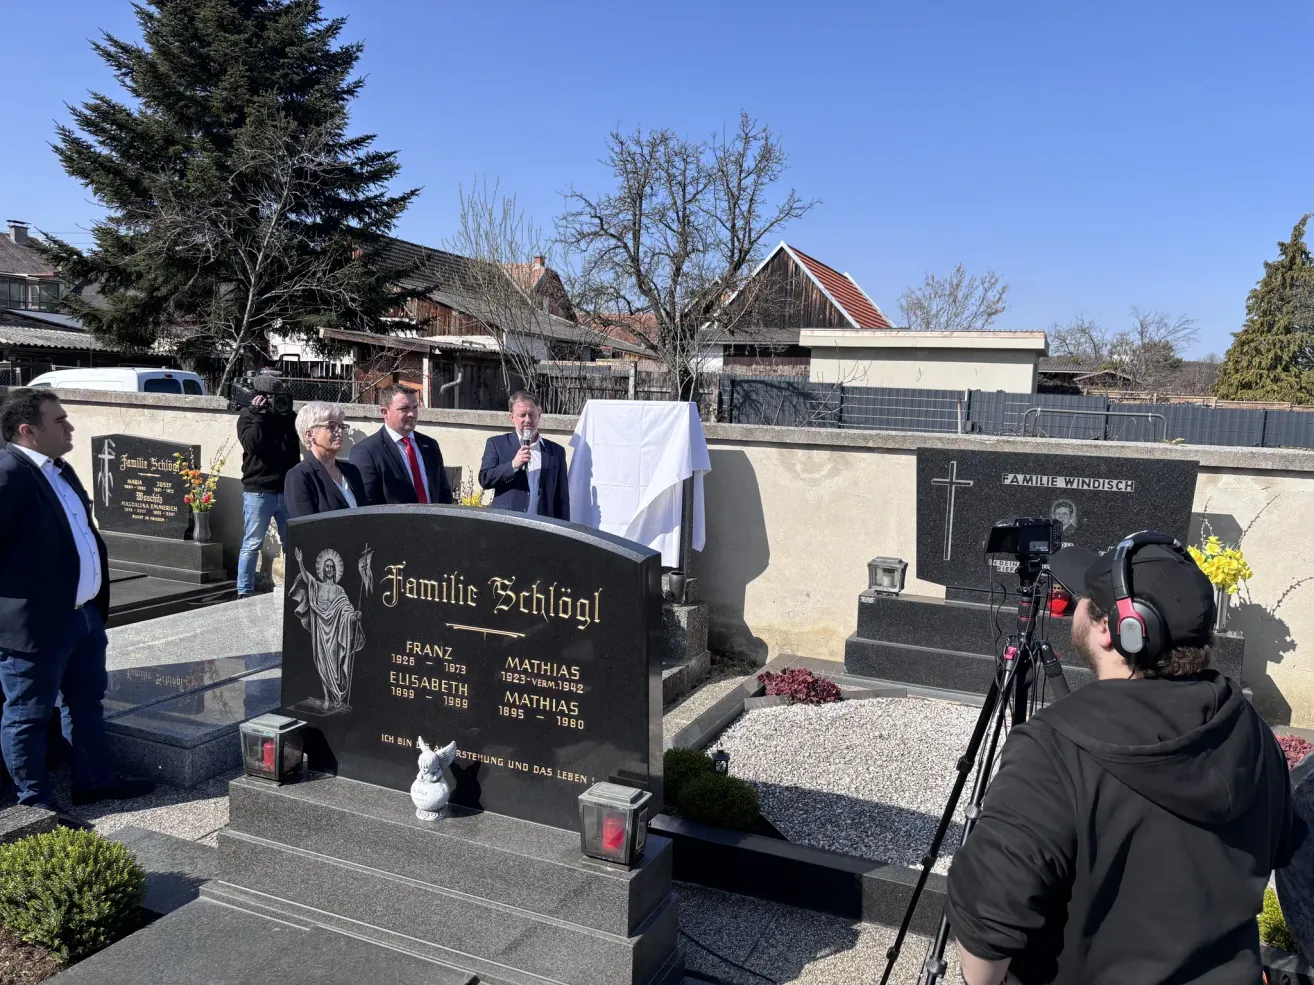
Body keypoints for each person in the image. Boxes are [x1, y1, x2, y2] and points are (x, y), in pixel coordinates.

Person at [946, 534, 1298, 985]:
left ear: (1115, 629)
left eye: (1086, 600)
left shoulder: (1052, 750)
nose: (1073, 606)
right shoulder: (1252, 730)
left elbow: (985, 939)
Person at [0, 389, 154, 808]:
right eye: (60, 421)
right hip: (35, 624)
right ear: (27, 430)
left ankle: (93, 781)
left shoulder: (61, 469)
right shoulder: (9, 472)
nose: (70, 427)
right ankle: (34, 804)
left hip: (83, 615)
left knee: (86, 702)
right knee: (27, 714)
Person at [235, 375, 300, 599]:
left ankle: (296, 588)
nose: (276, 401)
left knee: (292, 542)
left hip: (286, 489)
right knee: (252, 543)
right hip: (258, 491)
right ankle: (244, 591)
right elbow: (252, 444)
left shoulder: (288, 417)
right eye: (271, 397)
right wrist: (259, 416)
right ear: (260, 397)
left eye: (279, 396)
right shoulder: (248, 417)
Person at [350, 384, 452, 506]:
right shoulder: (366, 452)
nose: (412, 414)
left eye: (415, 408)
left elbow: (444, 493)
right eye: (404, 409)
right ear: (385, 412)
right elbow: (366, 503)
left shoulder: (429, 445)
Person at [478, 392, 569, 519]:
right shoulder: (497, 444)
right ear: (512, 417)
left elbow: (562, 498)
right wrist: (513, 465)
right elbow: (485, 479)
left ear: (539, 415)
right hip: (507, 523)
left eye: (532, 414)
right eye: (522, 415)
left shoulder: (556, 452)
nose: (527, 419)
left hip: (543, 527)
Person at [284, 402, 367, 519]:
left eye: (342, 426)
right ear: (309, 434)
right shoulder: (299, 476)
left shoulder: (351, 471)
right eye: (332, 426)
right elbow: (304, 529)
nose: (340, 432)